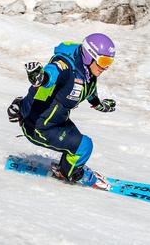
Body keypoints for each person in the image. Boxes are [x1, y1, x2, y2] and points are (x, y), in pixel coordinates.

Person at [7, 33, 117, 186]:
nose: (105, 67)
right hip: (39, 127)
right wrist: (40, 77)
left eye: (109, 62)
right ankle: (70, 174)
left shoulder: (88, 74)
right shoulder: (65, 66)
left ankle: (67, 167)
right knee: (84, 146)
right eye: (103, 61)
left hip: (57, 121)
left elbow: (90, 93)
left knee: (79, 148)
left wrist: (102, 106)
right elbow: (51, 74)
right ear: (89, 55)